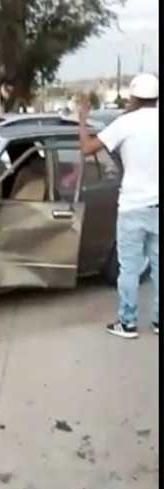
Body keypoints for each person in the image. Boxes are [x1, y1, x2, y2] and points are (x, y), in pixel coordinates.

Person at [77, 73, 159, 339]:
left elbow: (88, 148)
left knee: (129, 268)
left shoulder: (125, 124)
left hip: (133, 207)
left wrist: (82, 117)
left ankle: (128, 322)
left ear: (134, 96)